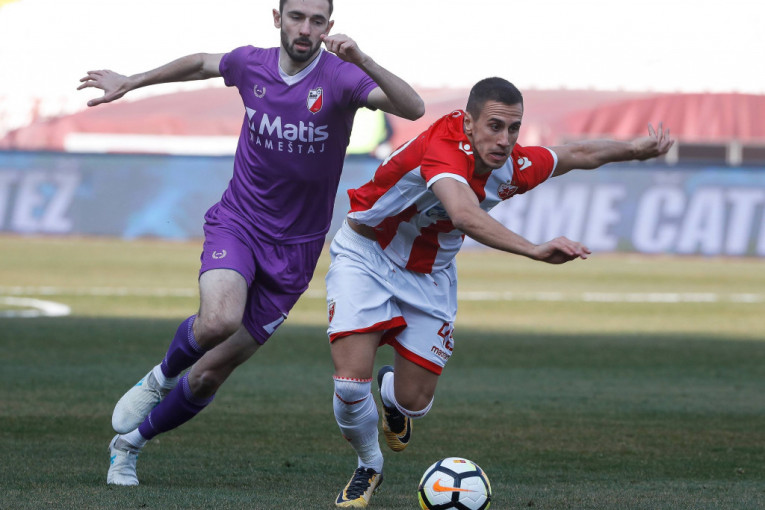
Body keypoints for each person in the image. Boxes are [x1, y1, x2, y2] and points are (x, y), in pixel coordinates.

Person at [77, 0, 424, 487]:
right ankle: (158, 378)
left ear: (329, 26)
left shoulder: (342, 77)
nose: (305, 29)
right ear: (277, 18)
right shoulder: (249, 63)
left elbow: (413, 108)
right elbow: (201, 63)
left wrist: (362, 59)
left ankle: (128, 446)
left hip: (296, 252)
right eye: (297, 16)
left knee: (208, 375)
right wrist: (132, 81)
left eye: (317, 21)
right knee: (219, 319)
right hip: (239, 223)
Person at [326, 76, 674, 507]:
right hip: (367, 255)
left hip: (430, 274)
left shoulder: (512, 166)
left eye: (513, 128)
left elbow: (577, 154)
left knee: (414, 402)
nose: (505, 139)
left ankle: (392, 396)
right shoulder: (443, 147)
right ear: (468, 123)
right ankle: (369, 466)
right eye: (494, 126)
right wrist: (533, 248)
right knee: (350, 385)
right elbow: (464, 214)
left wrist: (635, 150)